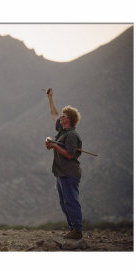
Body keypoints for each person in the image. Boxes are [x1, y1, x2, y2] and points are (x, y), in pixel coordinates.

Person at [45, 88, 83, 239]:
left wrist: (54, 146)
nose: (61, 117)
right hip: (61, 173)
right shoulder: (62, 131)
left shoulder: (72, 135)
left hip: (69, 173)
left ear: (70, 120)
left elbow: (69, 154)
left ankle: (77, 230)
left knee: (71, 201)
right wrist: (50, 98)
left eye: (64, 116)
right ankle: (72, 229)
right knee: (64, 203)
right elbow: (54, 114)